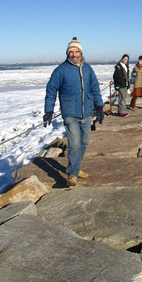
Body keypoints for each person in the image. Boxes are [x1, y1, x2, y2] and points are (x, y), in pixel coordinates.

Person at [43, 37, 104, 187]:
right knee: (75, 143)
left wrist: (100, 107)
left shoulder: (88, 69)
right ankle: (72, 174)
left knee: (84, 142)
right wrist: (49, 110)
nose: (74, 54)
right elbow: (51, 90)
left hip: (87, 111)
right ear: (67, 53)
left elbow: (95, 88)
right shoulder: (61, 70)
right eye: (71, 51)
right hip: (70, 112)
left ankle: (75, 168)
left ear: (81, 52)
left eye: (77, 51)